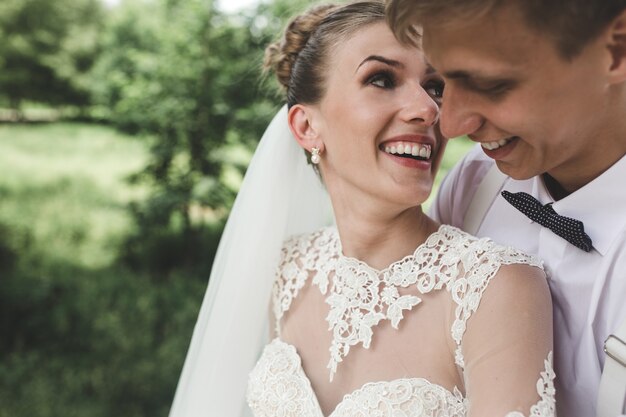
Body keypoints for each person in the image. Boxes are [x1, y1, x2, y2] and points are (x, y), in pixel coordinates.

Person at [169, 2, 555, 416]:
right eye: (382, 79)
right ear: (305, 127)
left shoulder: (494, 287)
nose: (428, 109)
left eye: (435, 86)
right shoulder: (289, 270)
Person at [384, 0, 626, 416]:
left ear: (616, 50)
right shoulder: (475, 182)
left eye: (490, 84)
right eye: (443, 82)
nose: (450, 124)